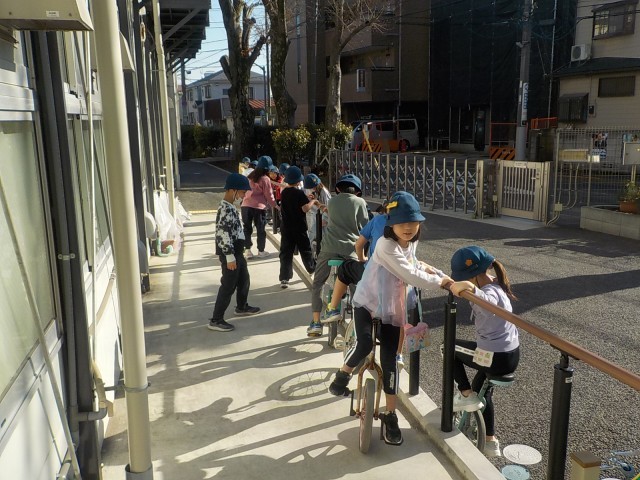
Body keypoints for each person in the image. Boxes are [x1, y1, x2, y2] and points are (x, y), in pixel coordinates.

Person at [327, 191, 452, 445]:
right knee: (364, 344)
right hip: (368, 304)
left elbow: (414, 264)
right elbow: (410, 274)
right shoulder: (385, 245)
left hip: (392, 308)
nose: (408, 227)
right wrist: (443, 283)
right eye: (402, 222)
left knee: (390, 361)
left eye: (413, 222)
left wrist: (439, 273)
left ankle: (390, 415)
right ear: (390, 223)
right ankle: (342, 376)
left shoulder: (410, 242)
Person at [448, 246, 519, 458]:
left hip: (493, 357)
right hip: (510, 355)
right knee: (482, 391)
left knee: (448, 346)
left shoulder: (488, 292)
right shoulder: (496, 283)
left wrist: (469, 287)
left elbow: (487, 302)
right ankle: (490, 441)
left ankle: (464, 393)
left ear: (473, 277)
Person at [308, 174, 369, 337]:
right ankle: (356, 326)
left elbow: (329, 216)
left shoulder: (332, 201)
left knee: (318, 282)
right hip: (350, 250)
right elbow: (365, 228)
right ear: (357, 191)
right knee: (356, 284)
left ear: (338, 189)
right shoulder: (360, 202)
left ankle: (316, 323)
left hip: (329, 248)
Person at [209, 173, 261, 332]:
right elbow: (223, 234)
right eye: (243, 192)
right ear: (233, 190)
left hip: (237, 252)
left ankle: (241, 306)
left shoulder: (230, 207)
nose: (244, 195)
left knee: (244, 279)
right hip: (230, 254)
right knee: (228, 285)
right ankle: (216, 319)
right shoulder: (225, 209)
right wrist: (229, 256)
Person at [278, 166, 319, 288]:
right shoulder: (299, 193)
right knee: (305, 250)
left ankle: (284, 278)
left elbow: (294, 203)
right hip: (299, 227)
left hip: (286, 227)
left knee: (286, 252)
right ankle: (311, 268)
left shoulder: (284, 192)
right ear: (298, 181)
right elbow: (305, 208)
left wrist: (306, 199)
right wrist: (313, 201)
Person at [241, 155, 277, 259]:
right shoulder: (265, 179)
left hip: (245, 206)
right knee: (260, 229)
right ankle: (261, 251)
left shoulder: (250, 176)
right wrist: (275, 206)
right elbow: (269, 195)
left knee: (247, 229)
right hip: (259, 208)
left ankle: (247, 251)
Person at [303, 173, 331, 246]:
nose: (312, 189)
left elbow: (327, 208)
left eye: (313, 187)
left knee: (319, 239)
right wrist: (314, 199)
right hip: (317, 218)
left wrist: (324, 220)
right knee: (313, 238)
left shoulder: (324, 192)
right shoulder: (316, 191)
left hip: (323, 219)